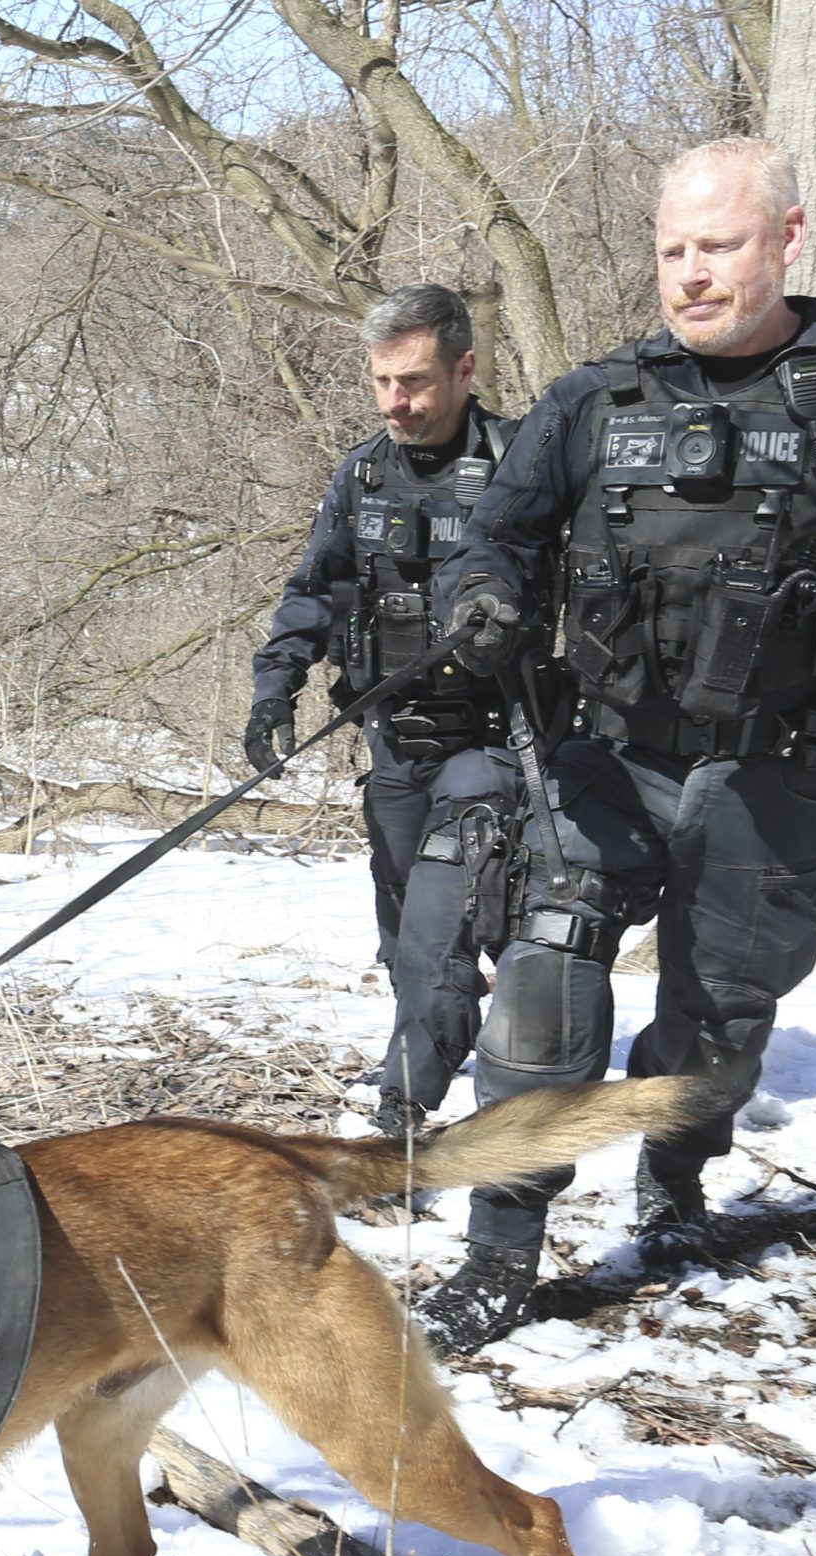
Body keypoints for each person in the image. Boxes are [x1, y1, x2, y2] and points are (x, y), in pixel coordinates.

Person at [419, 135, 816, 1352]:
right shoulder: (590, 403)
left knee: (718, 1019)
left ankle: (673, 1190)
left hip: (778, 772)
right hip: (601, 759)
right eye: (671, 250)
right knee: (541, 996)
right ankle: (498, 1256)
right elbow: (492, 537)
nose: (690, 275)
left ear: (787, 238)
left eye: (717, 246)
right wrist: (483, 597)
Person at [246, 285, 530, 1141]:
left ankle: (402, 1113)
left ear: (465, 368)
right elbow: (315, 591)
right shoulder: (363, 473)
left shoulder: (522, 469)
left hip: (489, 743)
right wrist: (275, 688)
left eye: (412, 382)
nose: (395, 403)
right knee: (407, 923)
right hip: (393, 738)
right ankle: (454, 1033)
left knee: (440, 927)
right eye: (381, 383)